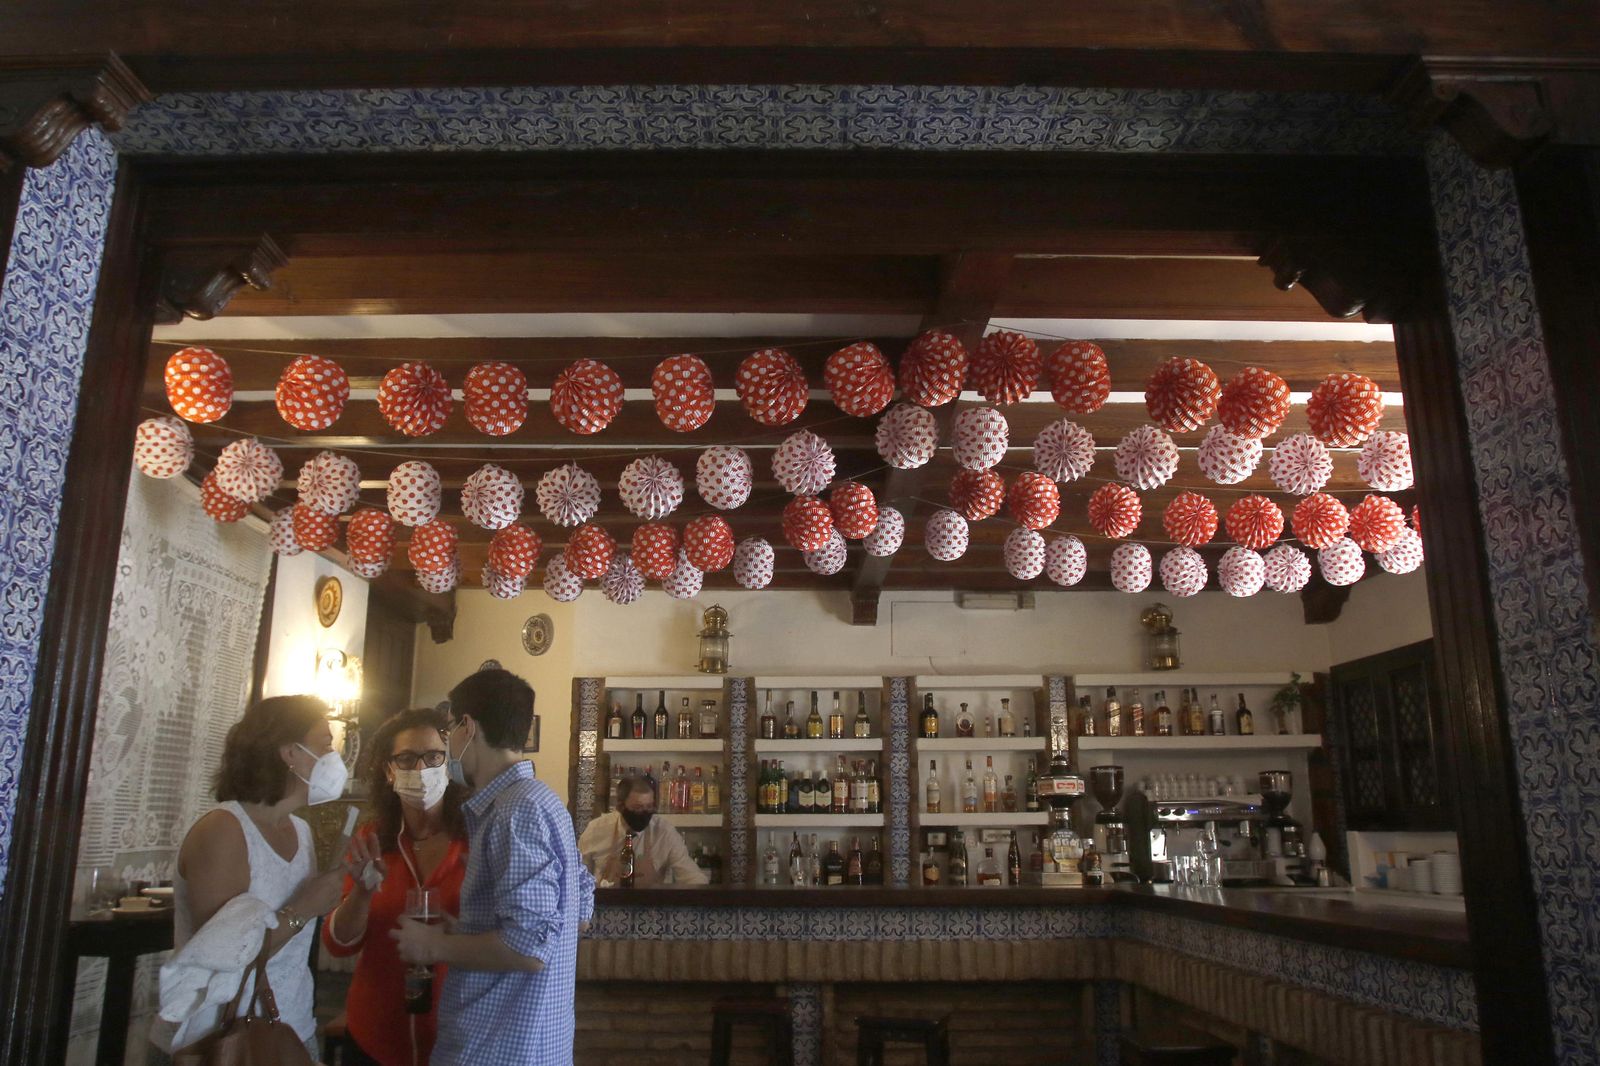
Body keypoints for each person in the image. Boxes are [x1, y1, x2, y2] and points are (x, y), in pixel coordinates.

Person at [392, 669, 595, 1066]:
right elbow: (579, 912)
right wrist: (470, 932)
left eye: (449, 730)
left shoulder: (514, 810)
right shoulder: (541, 801)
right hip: (530, 1044)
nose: (449, 745)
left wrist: (433, 945)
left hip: (500, 1047)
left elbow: (529, 946)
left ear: (467, 727)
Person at [160, 696, 378, 1060]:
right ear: (290, 753)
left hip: (292, 1025)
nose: (334, 758)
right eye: (325, 745)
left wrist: (357, 887)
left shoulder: (300, 830)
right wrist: (303, 908)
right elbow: (221, 956)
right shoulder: (225, 829)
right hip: (229, 1036)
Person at [323, 707, 470, 1065]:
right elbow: (338, 944)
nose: (421, 769)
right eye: (406, 758)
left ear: (447, 765)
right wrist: (361, 892)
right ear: (389, 771)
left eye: (433, 756)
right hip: (376, 1036)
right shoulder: (371, 839)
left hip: (457, 1037)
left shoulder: (476, 838)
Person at [578, 773, 709, 886]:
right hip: (605, 910)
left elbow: (693, 878)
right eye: (638, 808)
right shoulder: (596, 830)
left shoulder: (664, 832)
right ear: (620, 807)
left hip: (651, 912)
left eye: (649, 807)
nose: (645, 813)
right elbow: (577, 879)